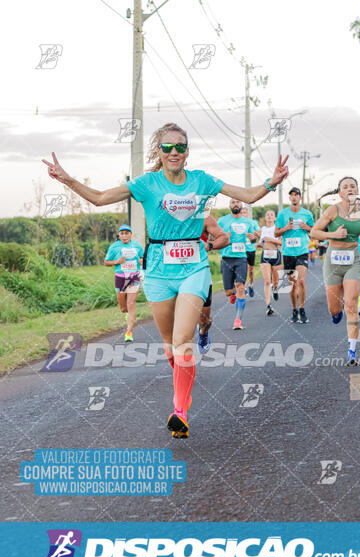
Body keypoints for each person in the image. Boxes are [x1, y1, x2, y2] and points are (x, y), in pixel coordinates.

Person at [42, 123, 288, 438]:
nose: (174, 152)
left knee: (183, 341)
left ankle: (180, 411)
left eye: (180, 147)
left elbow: (249, 194)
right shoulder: (147, 183)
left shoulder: (202, 181)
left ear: (187, 151)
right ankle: (182, 388)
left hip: (193, 269)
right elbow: (101, 198)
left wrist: (272, 181)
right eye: (167, 147)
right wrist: (67, 179)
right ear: (159, 151)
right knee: (171, 347)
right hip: (158, 271)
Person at [311, 177, 360, 365]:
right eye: (346, 186)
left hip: (354, 259)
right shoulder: (332, 210)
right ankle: (337, 312)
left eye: (353, 186)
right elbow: (314, 232)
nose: (350, 188)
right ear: (340, 192)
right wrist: (333, 235)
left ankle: (351, 351)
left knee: (351, 304)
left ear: (357, 190)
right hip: (333, 260)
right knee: (334, 308)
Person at [275, 187, 314, 323]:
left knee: (301, 280)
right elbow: (276, 233)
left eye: (296, 195)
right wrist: (285, 228)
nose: (294, 197)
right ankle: (294, 309)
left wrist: (307, 227)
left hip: (302, 251)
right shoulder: (282, 214)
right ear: (289, 198)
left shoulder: (307, 214)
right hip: (287, 252)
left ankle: (302, 309)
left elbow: (314, 231)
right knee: (291, 283)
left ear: (300, 198)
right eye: (291, 195)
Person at [218, 199, 257, 330]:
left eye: (238, 202)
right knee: (229, 292)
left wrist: (253, 239)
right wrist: (224, 237)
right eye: (233, 202)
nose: (235, 204)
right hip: (226, 258)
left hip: (241, 258)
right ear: (229, 206)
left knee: (241, 286)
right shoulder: (222, 221)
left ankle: (238, 320)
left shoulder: (248, 222)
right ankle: (231, 293)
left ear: (242, 205)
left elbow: (253, 240)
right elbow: (214, 238)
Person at [104, 224, 143, 342]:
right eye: (122, 233)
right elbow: (106, 262)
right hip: (120, 278)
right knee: (123, 307)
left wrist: (142, 261)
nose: (125, 236)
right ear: (119, 235)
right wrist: (117, 261)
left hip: (133, 277)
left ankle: (129, 332)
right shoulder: (114, 247)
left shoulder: (137, 246)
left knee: (131, 303)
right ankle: (127, 314)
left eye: (127, 233)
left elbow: (142, 258)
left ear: (131, 234)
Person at [197, 214, 230, 353]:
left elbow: (225, 239)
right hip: (175, 274)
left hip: (200, 271)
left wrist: (209, 245)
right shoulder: (170, 216)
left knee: (205, 320)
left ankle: (203, 333)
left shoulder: (204, 218)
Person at [257, 209, 282, 315]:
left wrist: (271, 240)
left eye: (272, 214)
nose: (269, 216)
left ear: (275, 218)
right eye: (267, 214)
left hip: (276, 254)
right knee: (267, 281)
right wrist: (258, 244)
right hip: (265, 255)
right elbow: (261, 243)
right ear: (265, 217)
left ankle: (275, 289)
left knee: (275, 280)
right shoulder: (262, 229)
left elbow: (281, 242)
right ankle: (268, 305)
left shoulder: (278, 228)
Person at [240, 205, 261, 297]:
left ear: (247, 214)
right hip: (242, 250)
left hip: (251, 249)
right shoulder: (238, 224)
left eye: (244, 212)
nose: (243, 214)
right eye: (241, 213)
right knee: (243, 269)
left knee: (251, 270)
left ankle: (251, 285)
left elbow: (260, 234)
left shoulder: (253, 222)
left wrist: (253, 231)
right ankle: (244, 288)